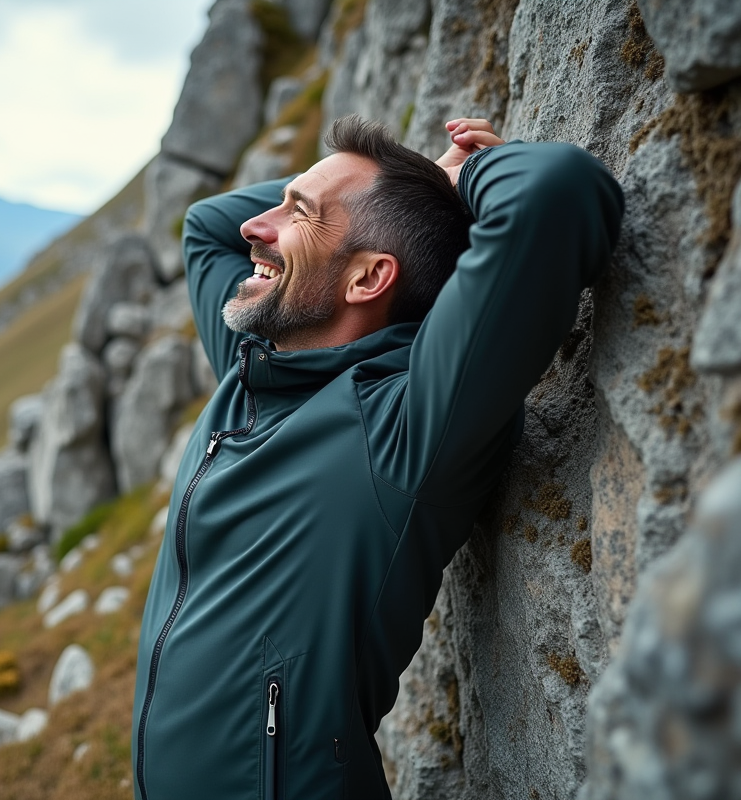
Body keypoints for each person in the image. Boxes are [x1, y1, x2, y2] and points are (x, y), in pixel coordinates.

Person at [130, 115, 623, 800]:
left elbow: (558, 191)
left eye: (297, 213)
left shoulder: (402, 428)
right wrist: (418, 179)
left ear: (367, 279)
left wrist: (458, 183)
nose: (256, 227)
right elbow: (209, 225)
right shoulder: (254, 369)